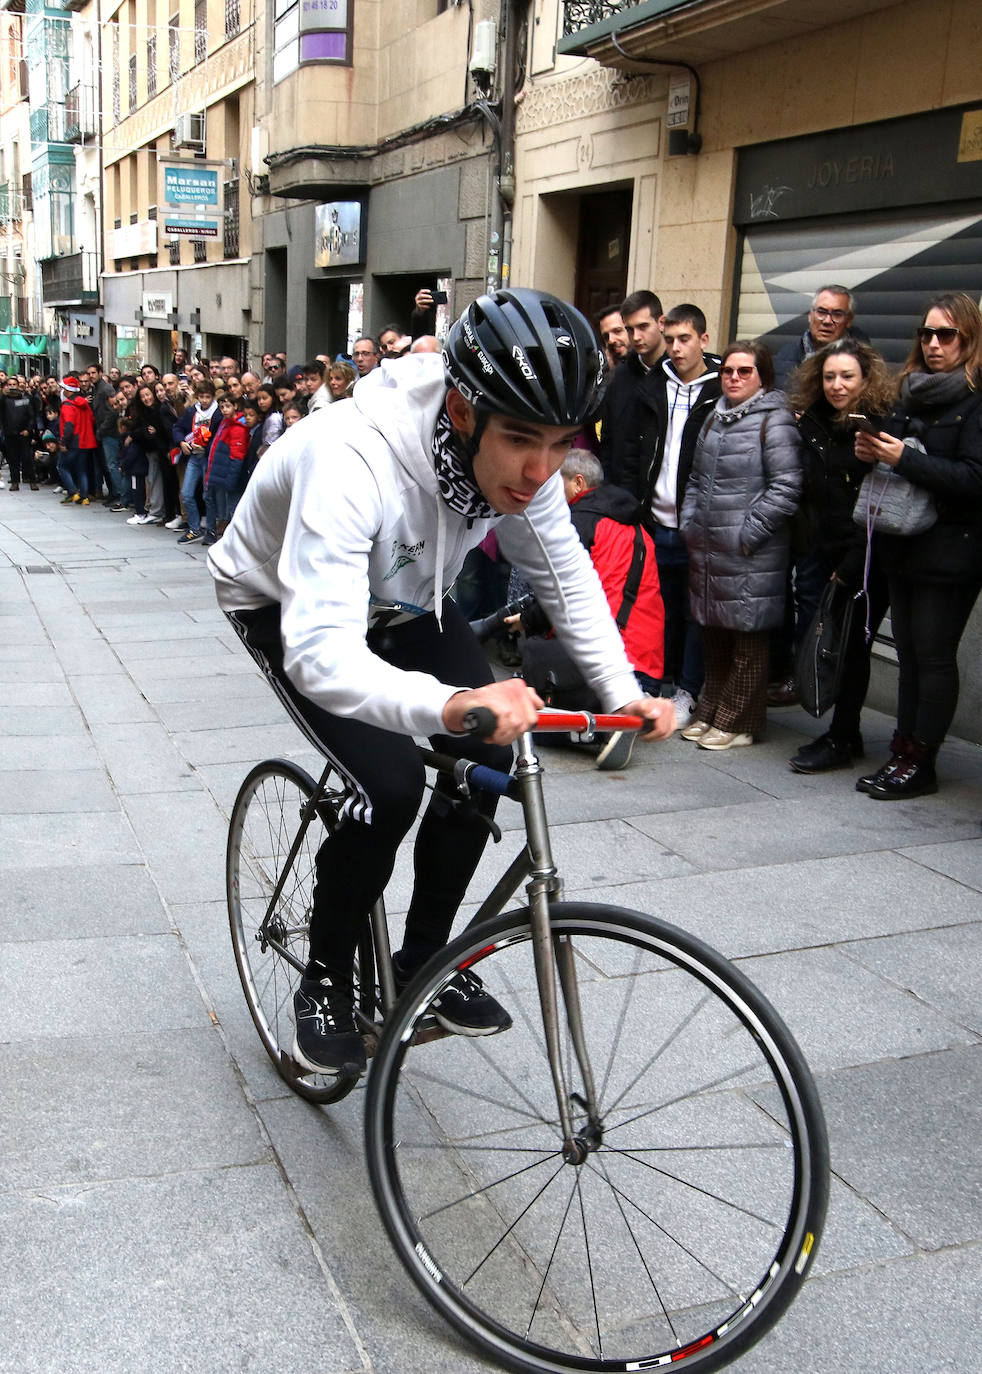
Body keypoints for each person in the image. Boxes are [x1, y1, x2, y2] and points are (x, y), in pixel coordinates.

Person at [208, 288, 675, 1077]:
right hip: (286, 600)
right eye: (522, 440)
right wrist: (455, 704)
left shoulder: (516, 469)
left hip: (404, 597)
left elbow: (561, 569)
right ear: (460, 410)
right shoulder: (350, 457)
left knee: (487, 767)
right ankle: (325, 980)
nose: (539, 470)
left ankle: (427, 961)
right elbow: (321, 653)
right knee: (388, 790)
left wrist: (621, 689)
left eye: (561, 444)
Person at [853, 292, 982, 800]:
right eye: (926, 334)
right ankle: (901, 752)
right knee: (908, 655)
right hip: (902, 542)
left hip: (953, 550)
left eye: (945, 335)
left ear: (968, 340)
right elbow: (902, 458)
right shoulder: (910, 391)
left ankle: (920, 761)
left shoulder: (976, 400)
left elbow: (974, 477)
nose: (932, 344)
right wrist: (871, 450)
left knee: (932, 657)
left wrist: (904, 459)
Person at [679, 341, 802, 750]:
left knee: (748, 642)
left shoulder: (775, 420)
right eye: (728, 370)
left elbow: (786, 488)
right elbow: (695, 480)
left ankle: (739, 721)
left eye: (744, 371)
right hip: (710, 548)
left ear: (762, 376)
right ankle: (711, 710)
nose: (733, 377)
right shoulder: (715, 417)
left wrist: (746, 534)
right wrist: (691, 524)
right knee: (715, 637)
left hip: (751, 553)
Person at [513, 448, 664, 771]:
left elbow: (561, 590)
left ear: (578, 483)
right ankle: (627, 709)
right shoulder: (634, 520)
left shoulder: (580, 520)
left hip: (605, 659)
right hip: (645, 664)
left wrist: (525, 621)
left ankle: (600, 722)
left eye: (557, 483)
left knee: (534, 668)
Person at [786, 340, 896, 773]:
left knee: (851, 648)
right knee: (830, 641)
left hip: (865, 556)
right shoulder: (812, 419)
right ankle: (842, 732)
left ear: (865, 379)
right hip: (820, 549)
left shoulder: (877, 428)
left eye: (846, 376)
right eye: (829, 376)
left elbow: (880, 502)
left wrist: (851, 563)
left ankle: (843, 737)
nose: (836, 385)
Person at [618, 304, 721, 728]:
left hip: (696, 524)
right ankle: (649, 683)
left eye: (685, 340)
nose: (676, 349)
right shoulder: (653, 383)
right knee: (650, 608)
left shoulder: (720, 389)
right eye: (672, 339)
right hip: (653, 520)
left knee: (694, 613)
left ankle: (687, 690)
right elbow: (628, 452)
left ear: (703, 340)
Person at [773, 285, 868, 391]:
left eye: (837, 314)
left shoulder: (866, 362)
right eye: (821, 312)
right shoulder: (783, 358)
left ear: (849, 320)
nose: (827, 321)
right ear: (810, 316)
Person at [174, 380, 219, 545]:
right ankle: (194, 528)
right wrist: (181, 442)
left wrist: (206, 447)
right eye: (201, 397)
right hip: (194, 456)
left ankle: (211, 529)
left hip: (208, 456)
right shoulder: (192, 411)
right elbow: (178, 427)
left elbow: (218, 436)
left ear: (213, 396)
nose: (205, 400)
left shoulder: (218, 413)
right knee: (186, 493)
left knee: (208, 495)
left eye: (208, 397)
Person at [58, 377, 97, 504]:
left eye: (63, 388)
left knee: (62, 466)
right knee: (82, 469)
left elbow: (69, 425)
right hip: (87, 441)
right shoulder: (84, 404)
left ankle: (73, 491)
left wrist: (63, 442)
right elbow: (91, 420)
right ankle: (84, 496)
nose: (62, 391)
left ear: (68, 390)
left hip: (74, 441)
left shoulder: (68, 405)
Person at [0, 375, 39, 490]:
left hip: (24, 433)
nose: (12, 387)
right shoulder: (4, 400)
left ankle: (32, 480)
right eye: (9, 385)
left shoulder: (26, 398)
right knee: (12, 459)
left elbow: (32, 416)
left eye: (14, 385)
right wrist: (2, 394)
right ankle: (15, 482)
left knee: (27, 458)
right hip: (10, 434)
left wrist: (28, 429)